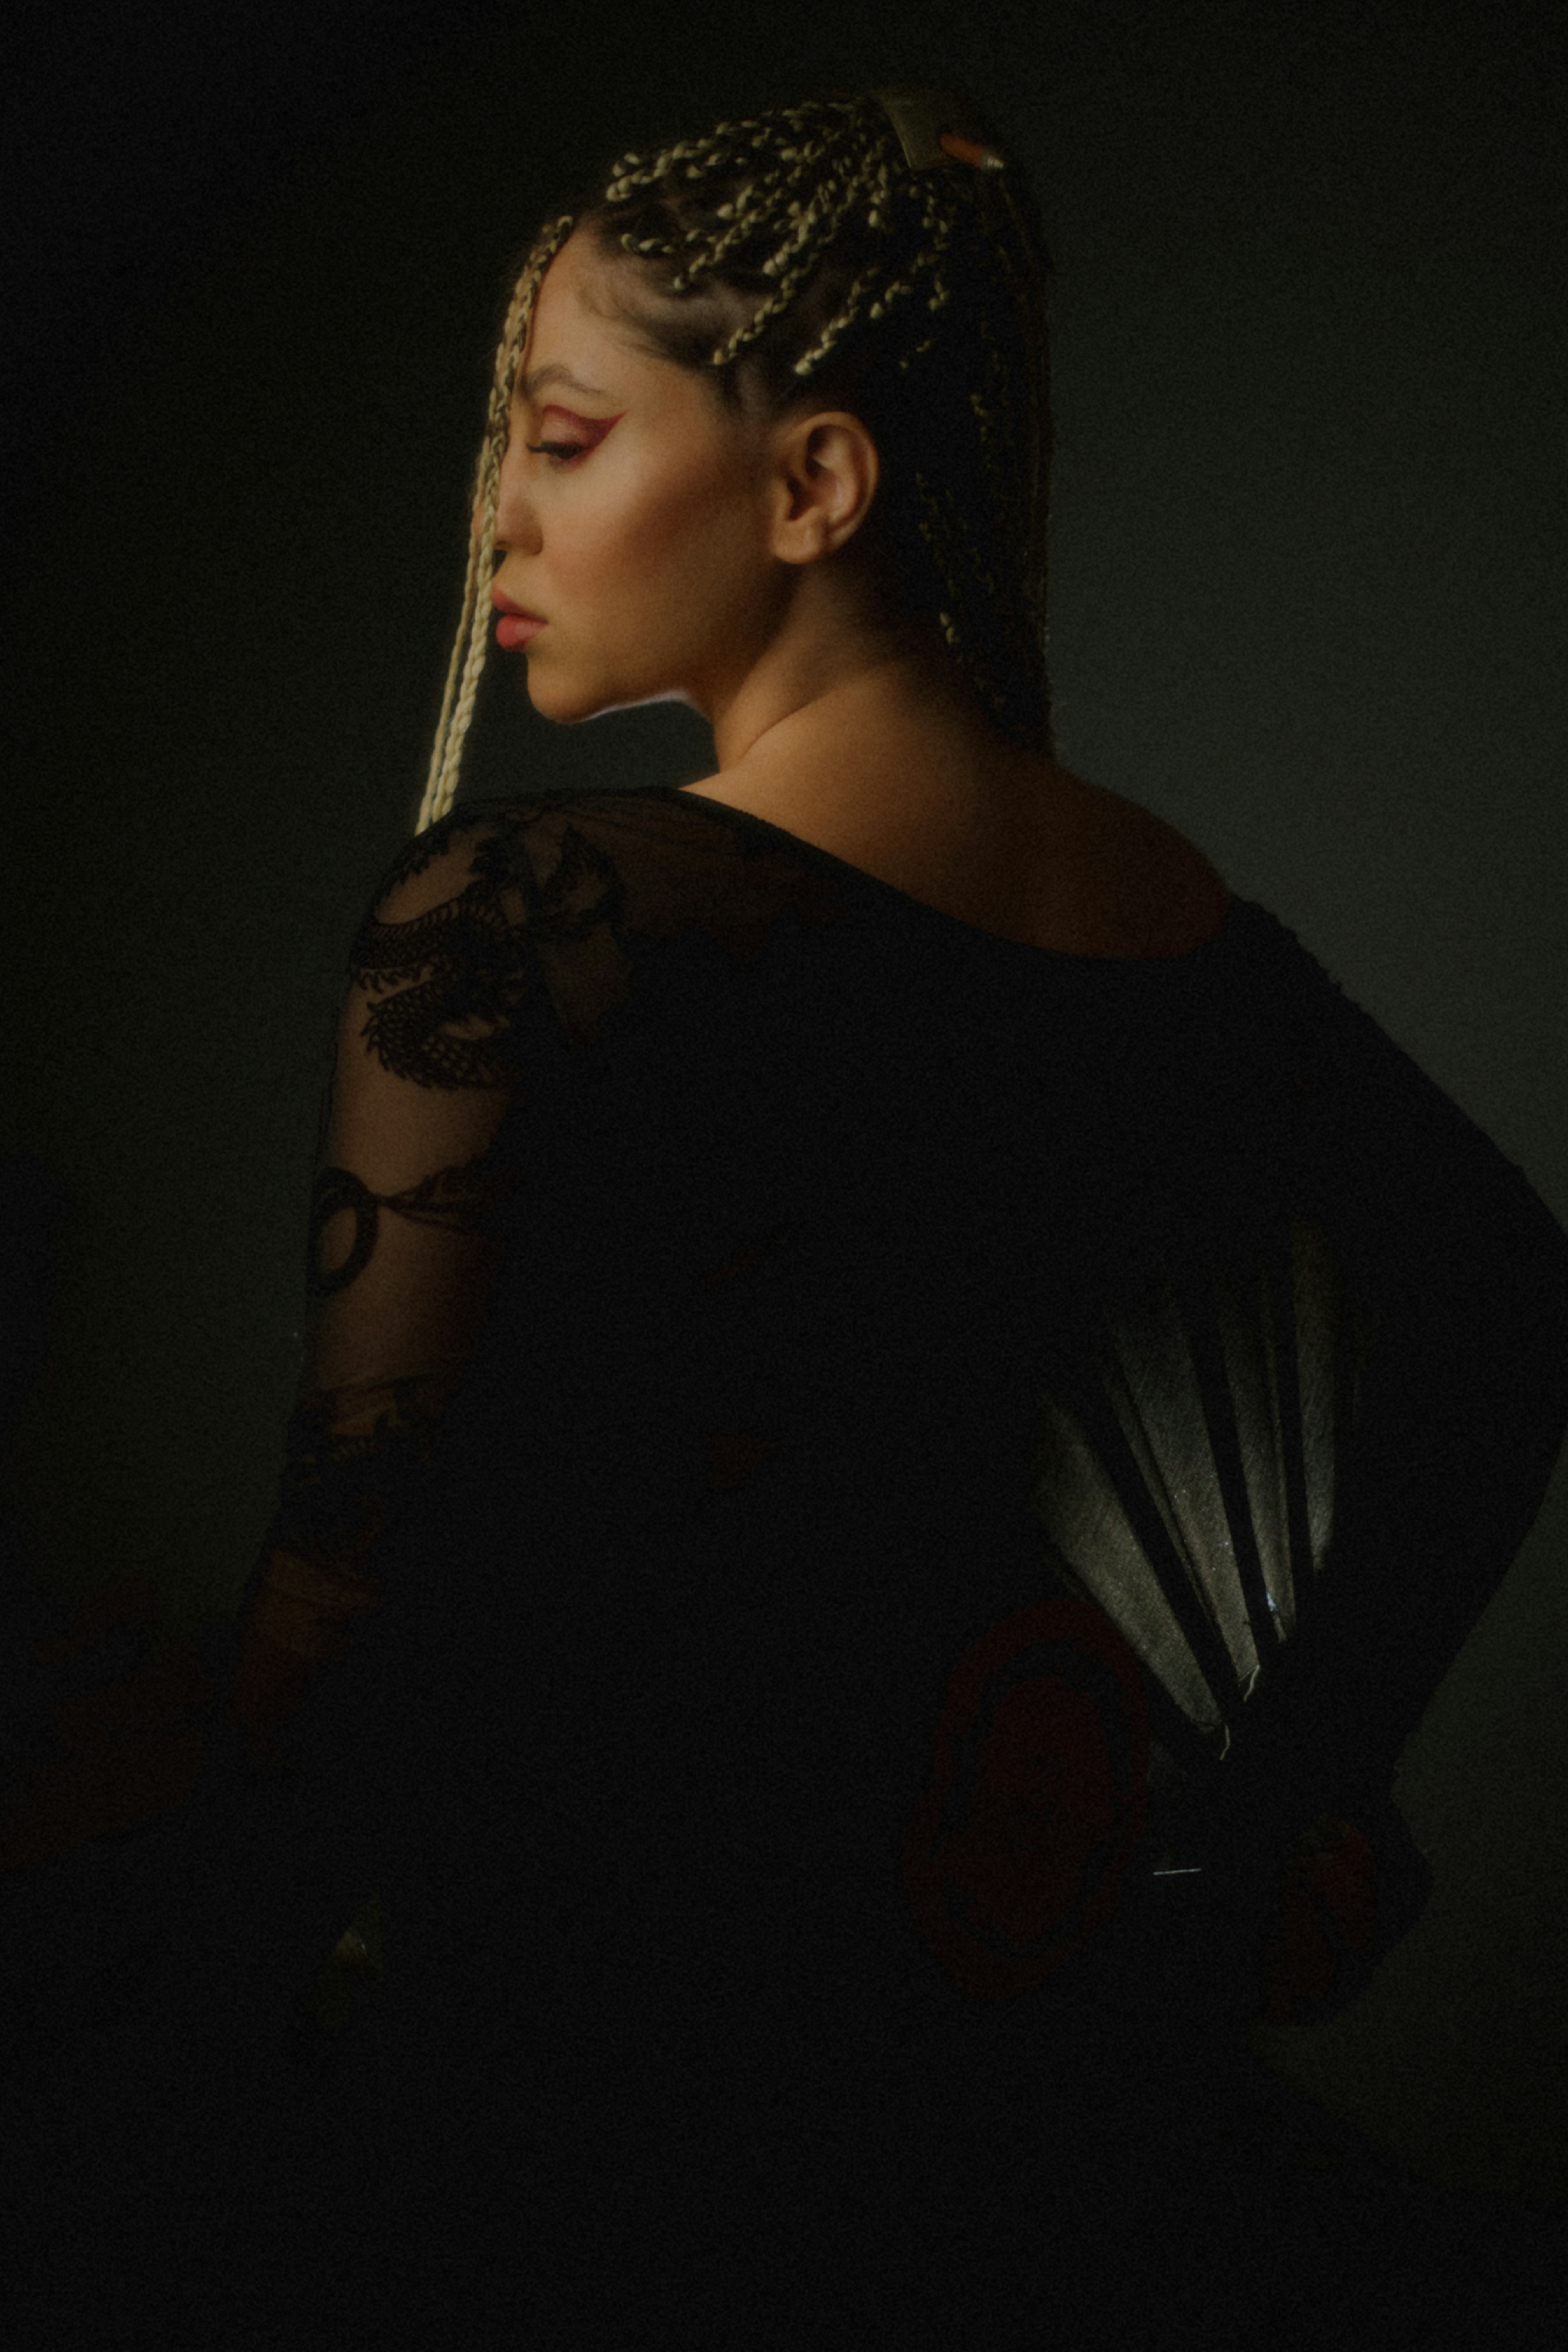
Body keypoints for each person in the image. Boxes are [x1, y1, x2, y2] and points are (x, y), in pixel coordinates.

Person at [5, 83, 1568, 2347]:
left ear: (817, 481)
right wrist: (1295, 1794)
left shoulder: (541, 914)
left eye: (553, 437)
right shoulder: (1196, 943)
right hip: (1050, 2156)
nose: (493, 521)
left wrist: (162, 2126)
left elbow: (345, 1625)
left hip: (606, 2156)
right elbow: (1514, 1301)